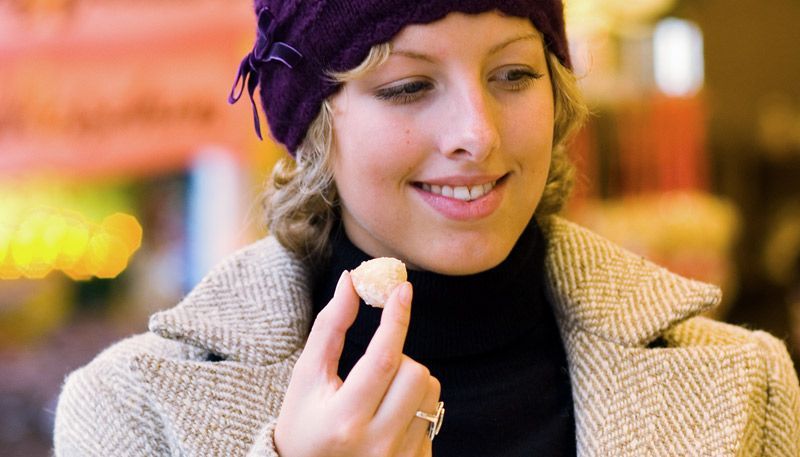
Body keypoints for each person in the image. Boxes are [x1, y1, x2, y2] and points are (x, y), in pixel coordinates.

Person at [54, 0, 800, 456]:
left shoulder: (746, 379)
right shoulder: (132, 409)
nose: (477, 133)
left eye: (514, 75)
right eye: (409, 86)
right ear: (315, 126)